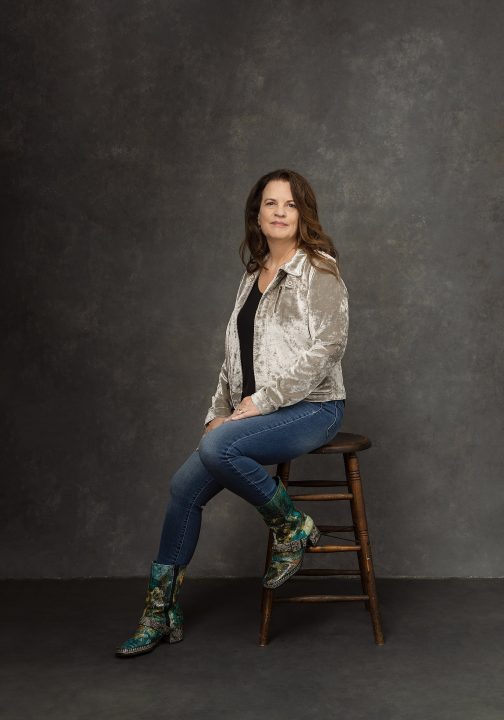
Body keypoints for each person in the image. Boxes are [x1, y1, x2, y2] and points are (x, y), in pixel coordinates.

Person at [115, 168, 349, 658]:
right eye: (270, 204)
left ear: (303, 213)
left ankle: (291, 526)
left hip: (313, 408)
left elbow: (326, 351)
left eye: (289, 204)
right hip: (253, 412)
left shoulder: (319, 270)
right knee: (185, 485)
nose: (280, 212)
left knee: (219, 447)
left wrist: (259, 403)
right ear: (257, 215)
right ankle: (159, 613)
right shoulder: (251, 277)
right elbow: (232, 359)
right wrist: (217, 413)